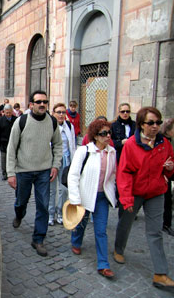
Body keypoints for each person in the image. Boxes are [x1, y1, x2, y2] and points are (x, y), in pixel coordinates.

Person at [114, 107, 174, 290]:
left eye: (158, 122)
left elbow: (169, 169)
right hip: (135, 192)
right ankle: (118, 249)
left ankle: (160, 274)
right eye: (151, 123)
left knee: (155, 232)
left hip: (156, 192)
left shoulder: (165, 144)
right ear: (141, 124)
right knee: (126, 222)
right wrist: (126, 199)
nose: (155, 126)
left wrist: (170, 168)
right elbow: (123, 173)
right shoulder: (131, 144)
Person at [6, 90, 62, 257]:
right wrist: (10, 173)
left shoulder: (52, 122)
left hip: (44, 171)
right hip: (23, 171)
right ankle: (19, 214)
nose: (42, 104)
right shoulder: (21, 121)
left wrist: (55, 165)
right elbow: (11, 148)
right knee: (21, 201)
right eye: (39, 102)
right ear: (31, 105)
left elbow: (58, 145)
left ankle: (38, 239)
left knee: (43, 205)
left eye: (45, 101)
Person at [67, 119, 117, 278]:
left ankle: (103, 264)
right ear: (95, 136)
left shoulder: (112, 152)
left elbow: (112, 175)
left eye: (109, 132)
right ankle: (76, 241)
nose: (108, 136)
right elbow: (73, 175)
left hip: (102, 197)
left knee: (101, 231)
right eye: (103, 133)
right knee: (81, 223)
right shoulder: (84, 151)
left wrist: (112, 192)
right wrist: (75, 198)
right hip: (85, 195)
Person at [48, 103, 76, 226]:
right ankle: (50, 214)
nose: (61, 115)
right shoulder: (49, 126)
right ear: (53, 113)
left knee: (64, 189)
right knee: (51, 190)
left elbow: (72, 145)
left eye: (63, 112)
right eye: (58, 112)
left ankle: (60, 213)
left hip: (66, 161)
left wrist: (74, 162)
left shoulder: (69, 126)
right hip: (52, 161)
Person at [0, 104, 17, 180]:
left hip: (13, 143)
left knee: (12, 158)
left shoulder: (16, 120)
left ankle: (12, 172)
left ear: (12, 112)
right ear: (4, 112)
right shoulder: (0, 120)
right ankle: (4, 173)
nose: (8, 114)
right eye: (7, 113)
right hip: (3, 143)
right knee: (4, 159)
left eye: (9, 112)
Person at [160, 118, 174, 236]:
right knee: (166, 199)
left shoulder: (169, 140)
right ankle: (165, 223)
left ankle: (166, 223)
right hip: (163, 174)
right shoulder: (163, 141)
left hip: (169, 171)